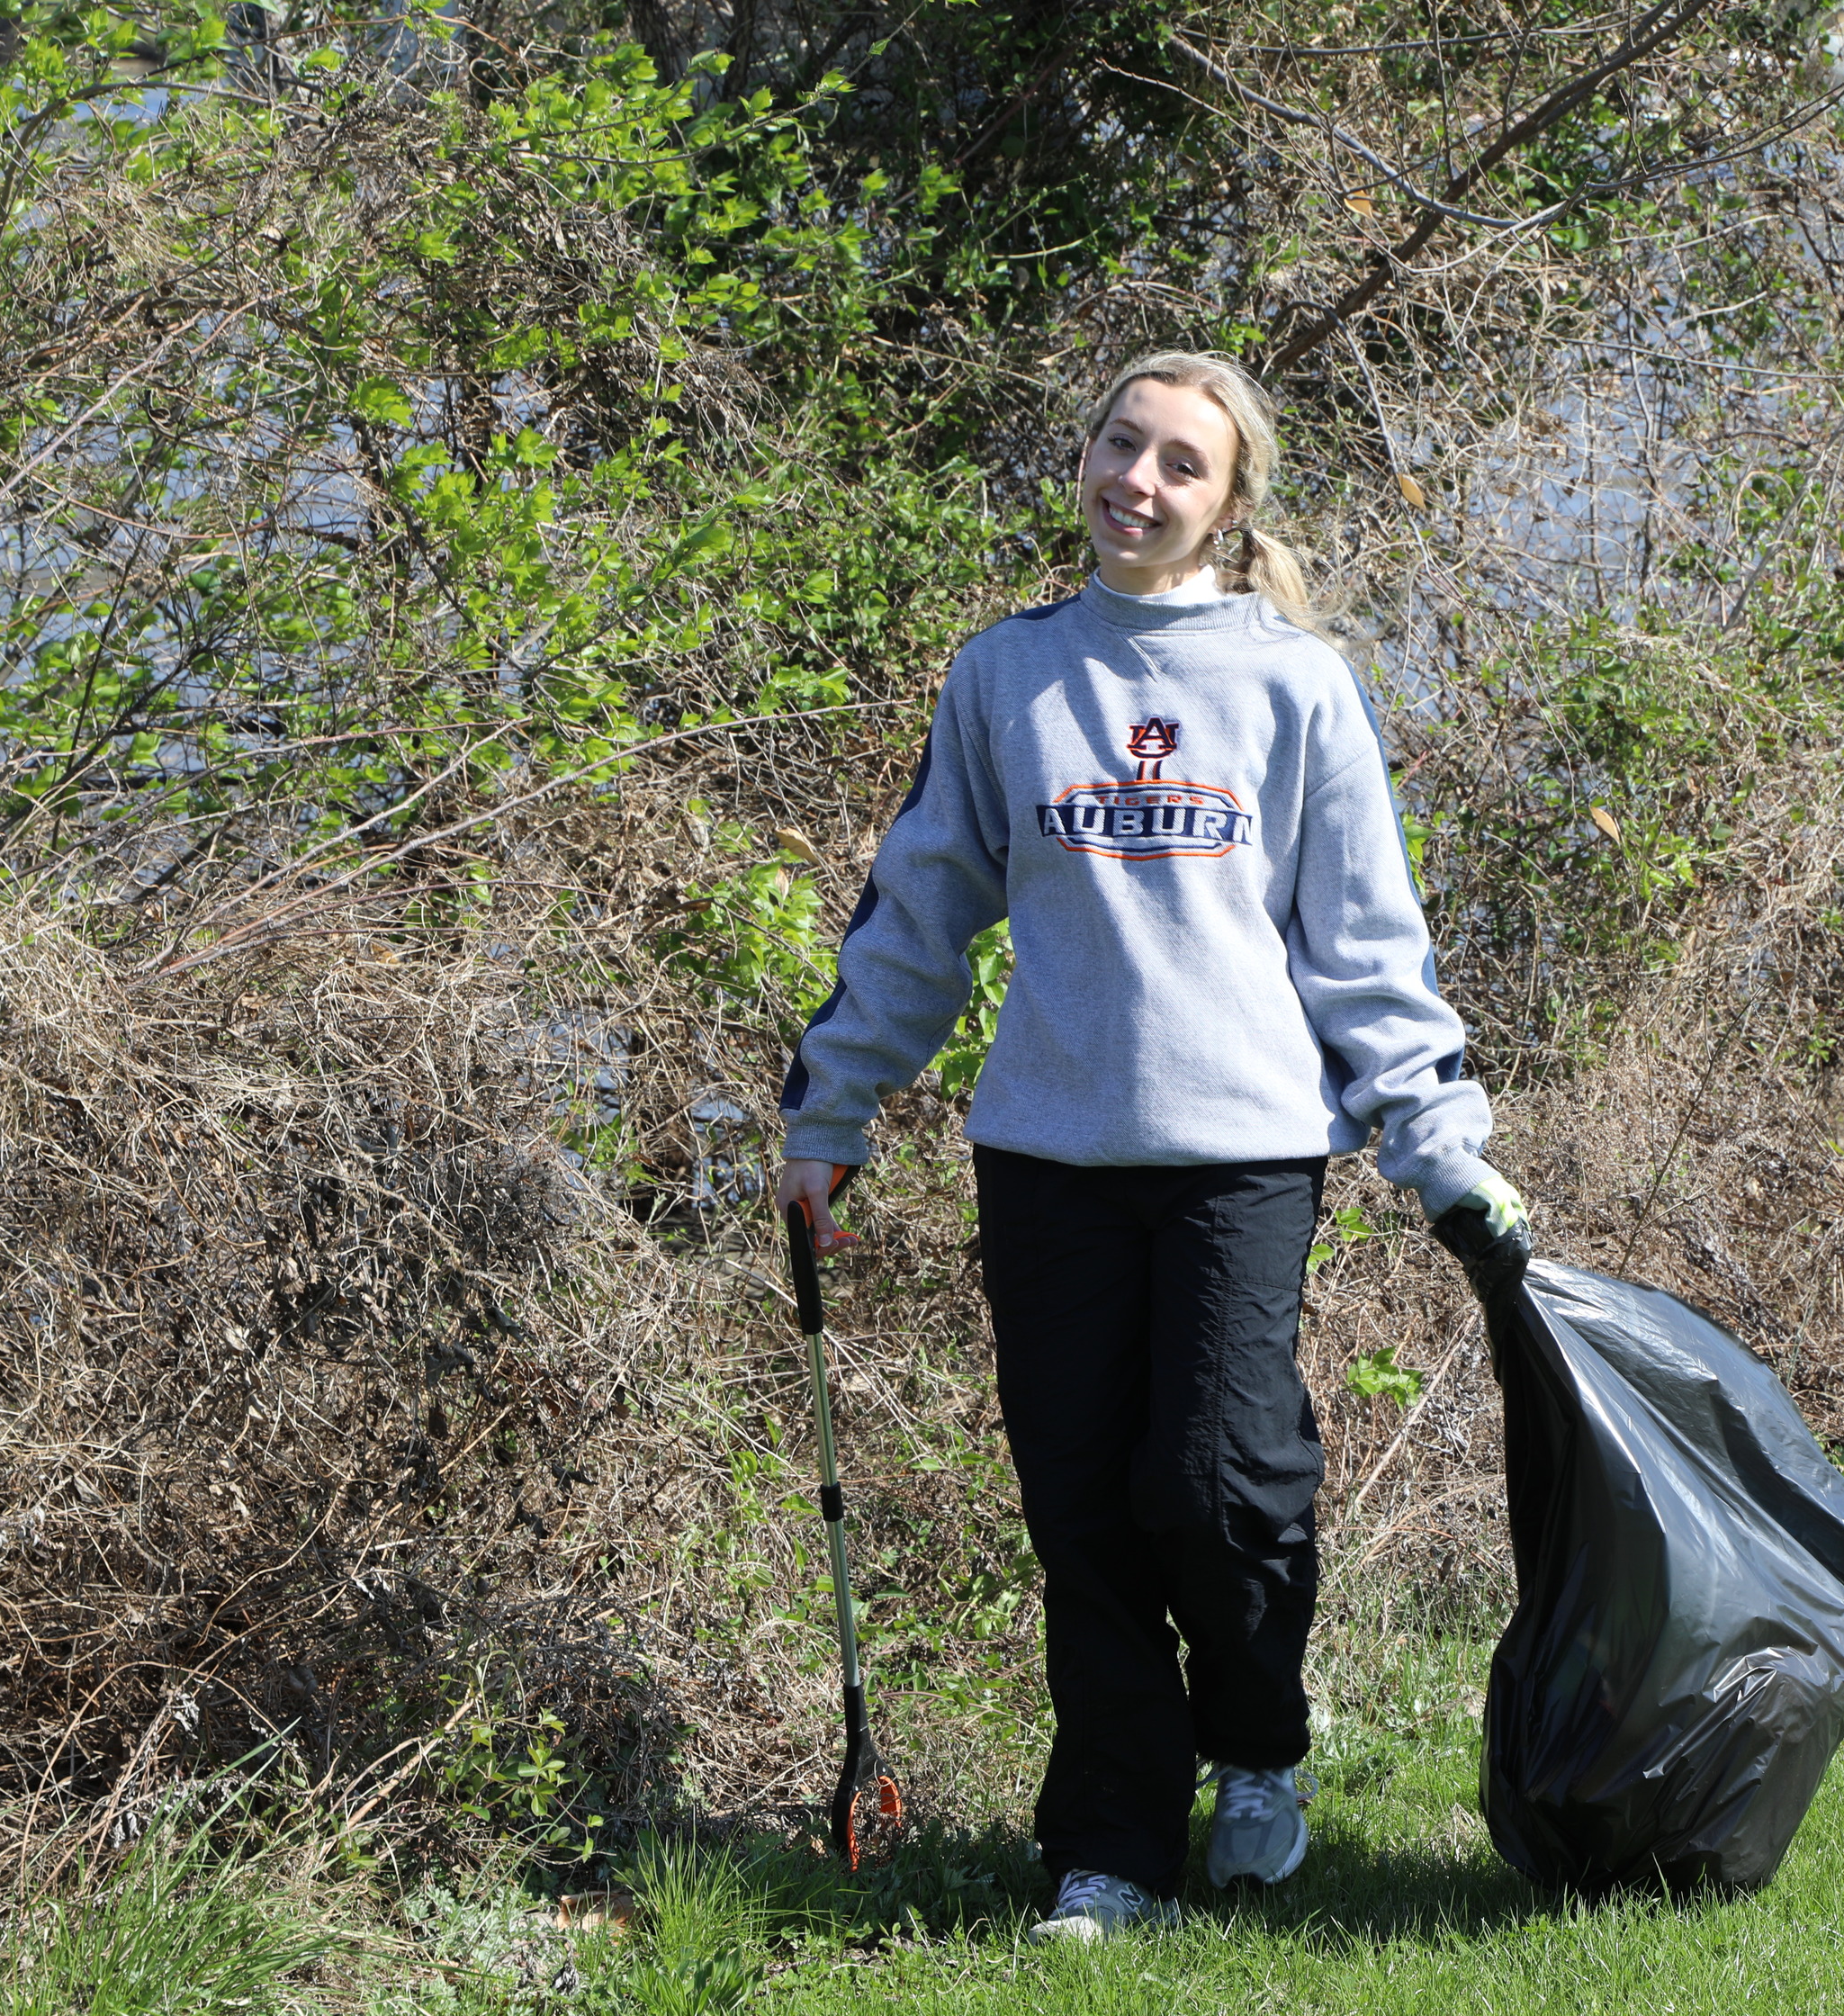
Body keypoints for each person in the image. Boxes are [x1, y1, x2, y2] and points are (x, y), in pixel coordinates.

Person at [771, 352, 1527, 1943]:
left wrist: (1437, 1137)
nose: (1140, 481)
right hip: (1046, 1156)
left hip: (1243, 1153)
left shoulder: (1295, 687)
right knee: (1084, 1512)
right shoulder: (1006, 677)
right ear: (1087, 457)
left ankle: (1255, 1749)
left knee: (1219, 1481)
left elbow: (1365, 946)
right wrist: (831, 1112)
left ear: (1230, 503)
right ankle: (1108, 1849)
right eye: (1121, 444)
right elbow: (915, 920)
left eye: (1182, 463)